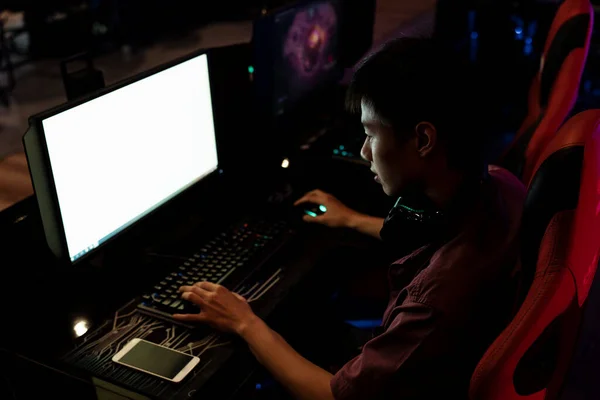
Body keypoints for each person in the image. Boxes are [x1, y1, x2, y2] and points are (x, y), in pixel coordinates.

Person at [173, 37, 526, 399]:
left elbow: (333, 395)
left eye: (371, 133)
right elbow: (433, 236)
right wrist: (352, 219)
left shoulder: (434, 300)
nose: (363, 150)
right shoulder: (500, 183)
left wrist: (245, 322)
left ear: (423, 139)